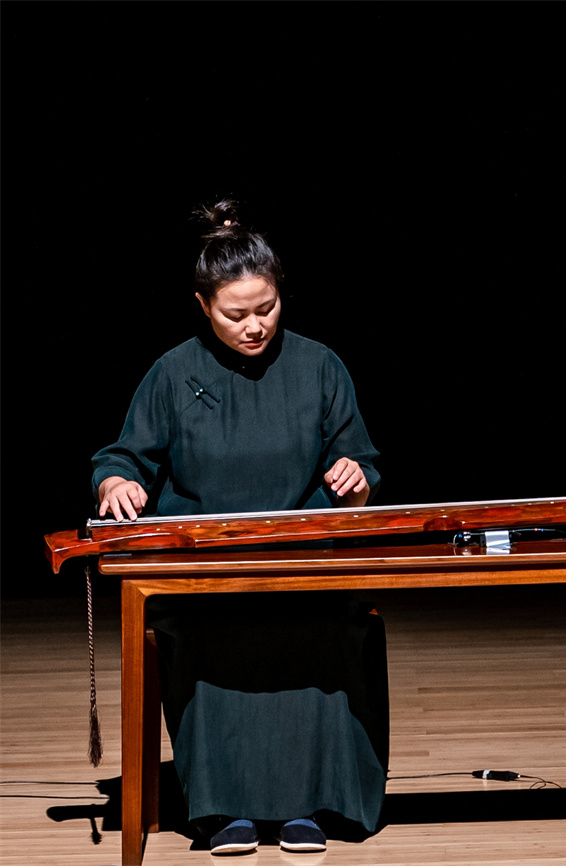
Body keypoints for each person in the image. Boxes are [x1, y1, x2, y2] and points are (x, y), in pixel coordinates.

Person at [91, 198, 389, 855]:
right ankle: (222, 809)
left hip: (303, 560)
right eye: (235, 315)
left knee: (325, 626)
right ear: (203, 306)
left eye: (267, 308)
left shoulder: (319, 365)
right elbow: (123, 455)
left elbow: (360, 459)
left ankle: (313, 805)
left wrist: (355, 476)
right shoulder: (172, 372)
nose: (255, 326)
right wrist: (115, 482)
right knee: (207, 633)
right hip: (206, 567)